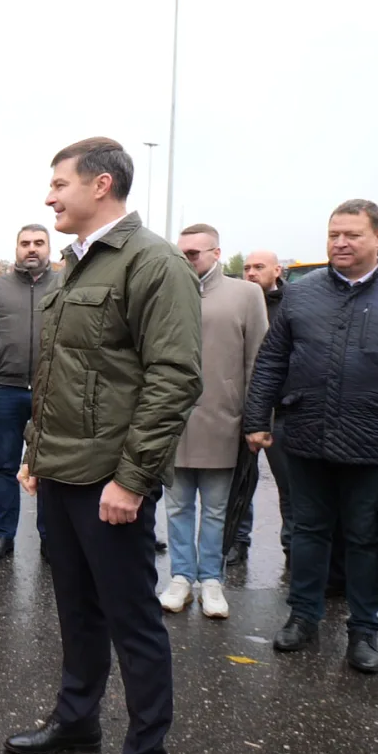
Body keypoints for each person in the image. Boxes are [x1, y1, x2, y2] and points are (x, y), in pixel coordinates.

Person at [5, 137, 202, 754]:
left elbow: (173, 377)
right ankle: (77, 720)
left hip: (110, 481)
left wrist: (133, 476)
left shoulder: (153, 263)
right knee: (76, 610)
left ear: (103, 184)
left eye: (60, 184)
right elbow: (56, 373)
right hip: (60, 472)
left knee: (133, 623)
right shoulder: (73, 265)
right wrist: (34, 452)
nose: (50, 196)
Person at [243, 199, 378, 675]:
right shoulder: (303, 294)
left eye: (352, 235)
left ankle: (364, 630)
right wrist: (256, 418)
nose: (340, 243)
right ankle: (303, 616)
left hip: (376, 438)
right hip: (306, 434)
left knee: (366, 538)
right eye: (333, 235)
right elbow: (271, 362)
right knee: (307, 531)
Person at [159, 224, 267, 619]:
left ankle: (211, 580)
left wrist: (257, 419)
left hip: (224, 419)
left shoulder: (246, 294)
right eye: (182, 252)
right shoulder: (166, 291)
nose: (187, 259)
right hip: (173, 421)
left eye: (195, 253)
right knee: (177, 507)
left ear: (216, 253)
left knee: (218, 509)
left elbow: (259, 360)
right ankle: (181, 577)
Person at [0, 224, 57, 561]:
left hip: (51, 392)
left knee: (49, 468)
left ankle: (51, 538)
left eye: (38, 243)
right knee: (4, 465)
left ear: (49, 247)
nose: (31, 249)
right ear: (15, 248)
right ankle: (5, 535)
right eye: (25, 243)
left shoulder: (64, 286)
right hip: (4, 389)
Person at [231, 249, 293, 567]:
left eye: (259, 267)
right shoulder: (239, 301)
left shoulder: (293, 303)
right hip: (246, 406)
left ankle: (292, 547)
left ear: (277, 270)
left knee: (289, 485)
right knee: (242, 479)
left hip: (282, 409)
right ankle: (238, 541)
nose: (251, 272)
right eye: (246, 268)